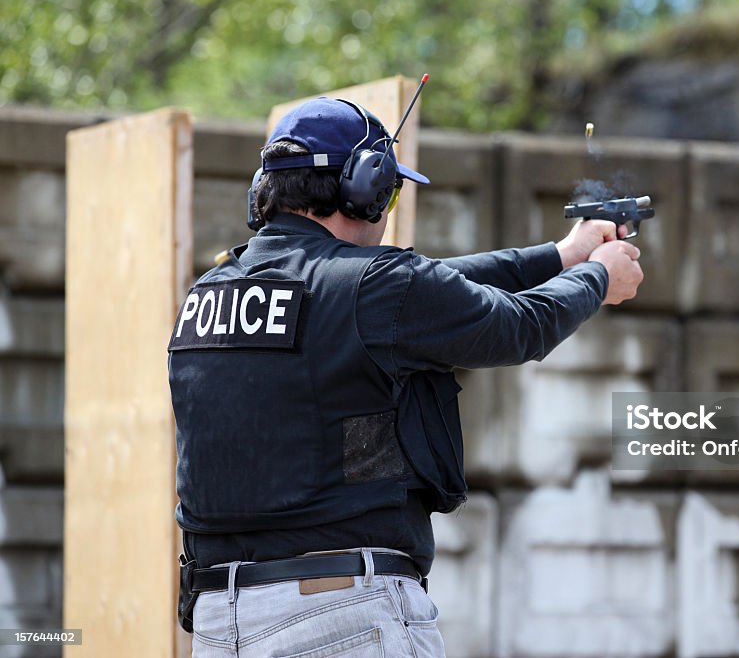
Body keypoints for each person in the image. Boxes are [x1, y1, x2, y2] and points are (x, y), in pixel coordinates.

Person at [168, 97, 643, 658]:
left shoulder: (208, 294)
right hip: (342, 614)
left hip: (221, 623)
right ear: (362, 188)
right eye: (390, 190)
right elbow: (518, 328)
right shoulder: (374, 288)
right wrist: (596, 277)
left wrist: (562, 256)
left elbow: (426, 286)